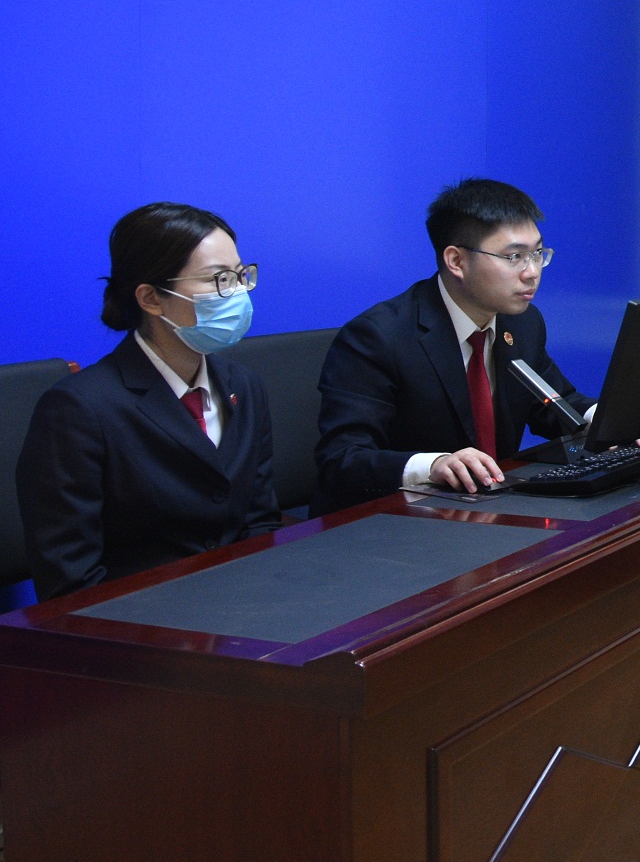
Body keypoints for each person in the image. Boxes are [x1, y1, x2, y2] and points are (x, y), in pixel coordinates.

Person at [16, 203, 279, 598]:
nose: (237, 291)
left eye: (241, 275)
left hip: (246, 605)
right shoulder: (78, 410)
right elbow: (71, 581)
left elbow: (260, 522)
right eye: (219, 279)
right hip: (137, 619)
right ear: (152, 298)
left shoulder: (244, 385)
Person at [314, 178, 592, 513]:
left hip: (492, 509)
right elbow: (342, 460)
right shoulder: (377, 337)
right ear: (456, 261)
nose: (532, 272)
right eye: (514, 256)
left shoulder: (522, 323)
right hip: (398, 520)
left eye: (537, 254)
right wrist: (433, 466)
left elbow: (553, 403)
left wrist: (607, 418)